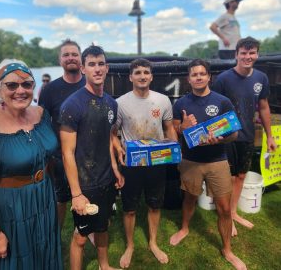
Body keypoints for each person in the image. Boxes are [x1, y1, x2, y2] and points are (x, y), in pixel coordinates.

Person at [0, 59, 62, 269]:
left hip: (43, 199)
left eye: (27, 84)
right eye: (12, 85)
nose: (21, 90)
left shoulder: (41, 114)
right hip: (10, 210)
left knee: (44, 254)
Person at [169, 59, 246, 270]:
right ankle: (184, 228)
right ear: (189, 78)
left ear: (209, 76)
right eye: (194, 74)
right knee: (189, 199)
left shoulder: (222, 102)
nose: (198, 77)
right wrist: (182, 127)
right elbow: (175, 130)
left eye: (202, 74)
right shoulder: (181, 104)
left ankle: (227, 250)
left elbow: (234, 134)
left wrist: (221, 139)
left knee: (223, 208)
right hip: (190, 160)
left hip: (217, 160)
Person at [59, 45, 124, 270]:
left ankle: (104, 266)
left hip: (106, 178)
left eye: (100, 64)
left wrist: (115, 170)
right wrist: (76, 194)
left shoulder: (111, 103)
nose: (97, 69)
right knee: (80, 236)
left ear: (107, 68)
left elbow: (108, 138)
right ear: (84, 68)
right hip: (85, 183)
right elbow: (67, 152)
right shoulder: (72, 105)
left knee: (103, 226)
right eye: (92, 64)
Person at [111, 58, 178, 268]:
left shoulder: (163, 100)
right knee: (129, 208)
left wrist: (174, 147)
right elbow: (113, 134)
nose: (142, 76)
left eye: (146, 72)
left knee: (154, 205)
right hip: (132, 164)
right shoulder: (120, 102)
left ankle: (153, 242)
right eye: (138, 72)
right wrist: (118, 146)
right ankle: (130, 245)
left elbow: (169, 128)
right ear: (130, 77)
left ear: (151, 76)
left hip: (157, 162)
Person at [212, 36, 277, 235]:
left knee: (241, 175)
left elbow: (264, 107)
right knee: (229, 178)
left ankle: (232, 213)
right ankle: (225, 216)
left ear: (257, 54)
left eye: (252, 53)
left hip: (247, 136)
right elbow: (213, 109)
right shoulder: (223, 79)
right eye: (244, 53)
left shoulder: (261, 78)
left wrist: (270, 136)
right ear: (236, 55)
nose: (248, 57)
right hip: (227, 137)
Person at [39, 39, 86, 229]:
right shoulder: (50, 90)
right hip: (59, 155)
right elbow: (41, 121)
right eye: (66, 55)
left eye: (74, 54)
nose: (71, 58)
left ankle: (85, 230)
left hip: (87, 154)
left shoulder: (91, 85)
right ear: (60, 60)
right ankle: (56, 234)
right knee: (61, 197)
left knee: (87, 193)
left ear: (81, 59)